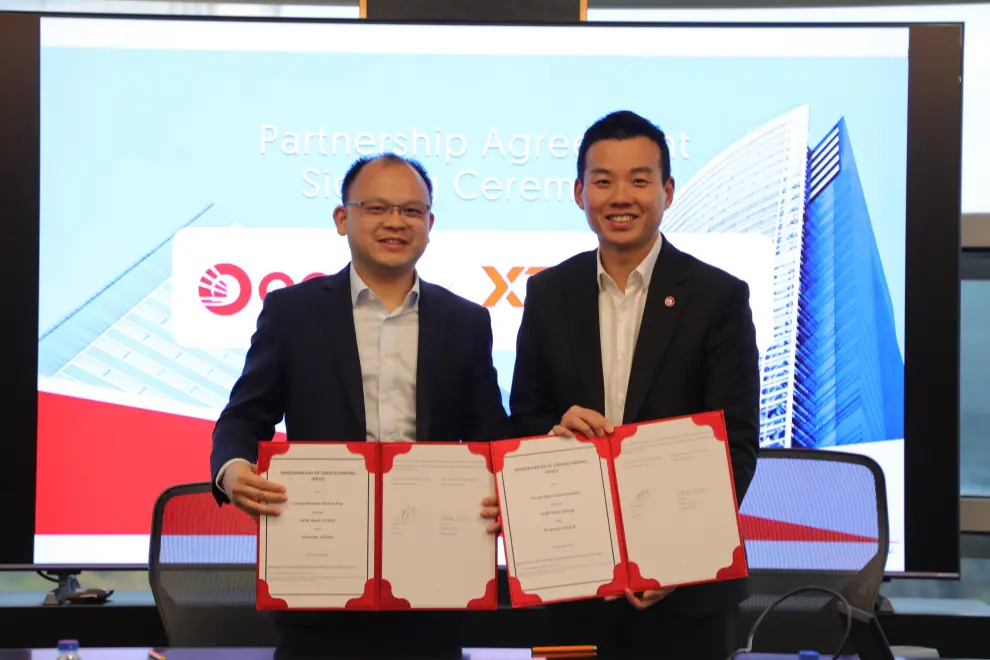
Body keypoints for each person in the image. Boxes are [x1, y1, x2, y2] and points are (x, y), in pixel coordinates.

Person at [210, 153, 509, 654]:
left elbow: (490, 432)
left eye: (412, 211)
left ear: (430, 224)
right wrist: (233, 468)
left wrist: (514, 486)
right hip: (320, 577)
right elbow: (244, 414)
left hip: (433, 577)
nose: (396, 222)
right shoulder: (293, 313)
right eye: (377, 208)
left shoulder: (466, 321)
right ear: (342, 218)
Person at [510, 110, 760, 659]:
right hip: (573, 582)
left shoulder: (718, 298)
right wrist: (552, 431)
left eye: (640, 180)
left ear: (667, 191)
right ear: (579, 192)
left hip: (686, 596)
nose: (620, 196)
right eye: (603, 181)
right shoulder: (548, 294)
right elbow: (523, 423)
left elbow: (736, 446)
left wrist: (679, 557)